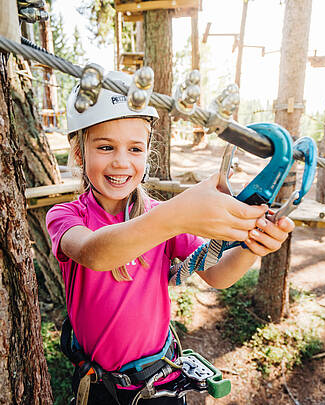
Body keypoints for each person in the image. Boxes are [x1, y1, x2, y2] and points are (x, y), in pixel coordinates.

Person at [46, 71, 294, 405]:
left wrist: (253, 245)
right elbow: (95, 253)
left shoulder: (159, 213)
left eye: (135, 149)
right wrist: (177, 215)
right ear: (79, 155)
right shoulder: (66, 216)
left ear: (146, 155)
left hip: (158, 382)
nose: (121, 161)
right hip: (100, 387)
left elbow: (219, 275)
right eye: (105, 147)